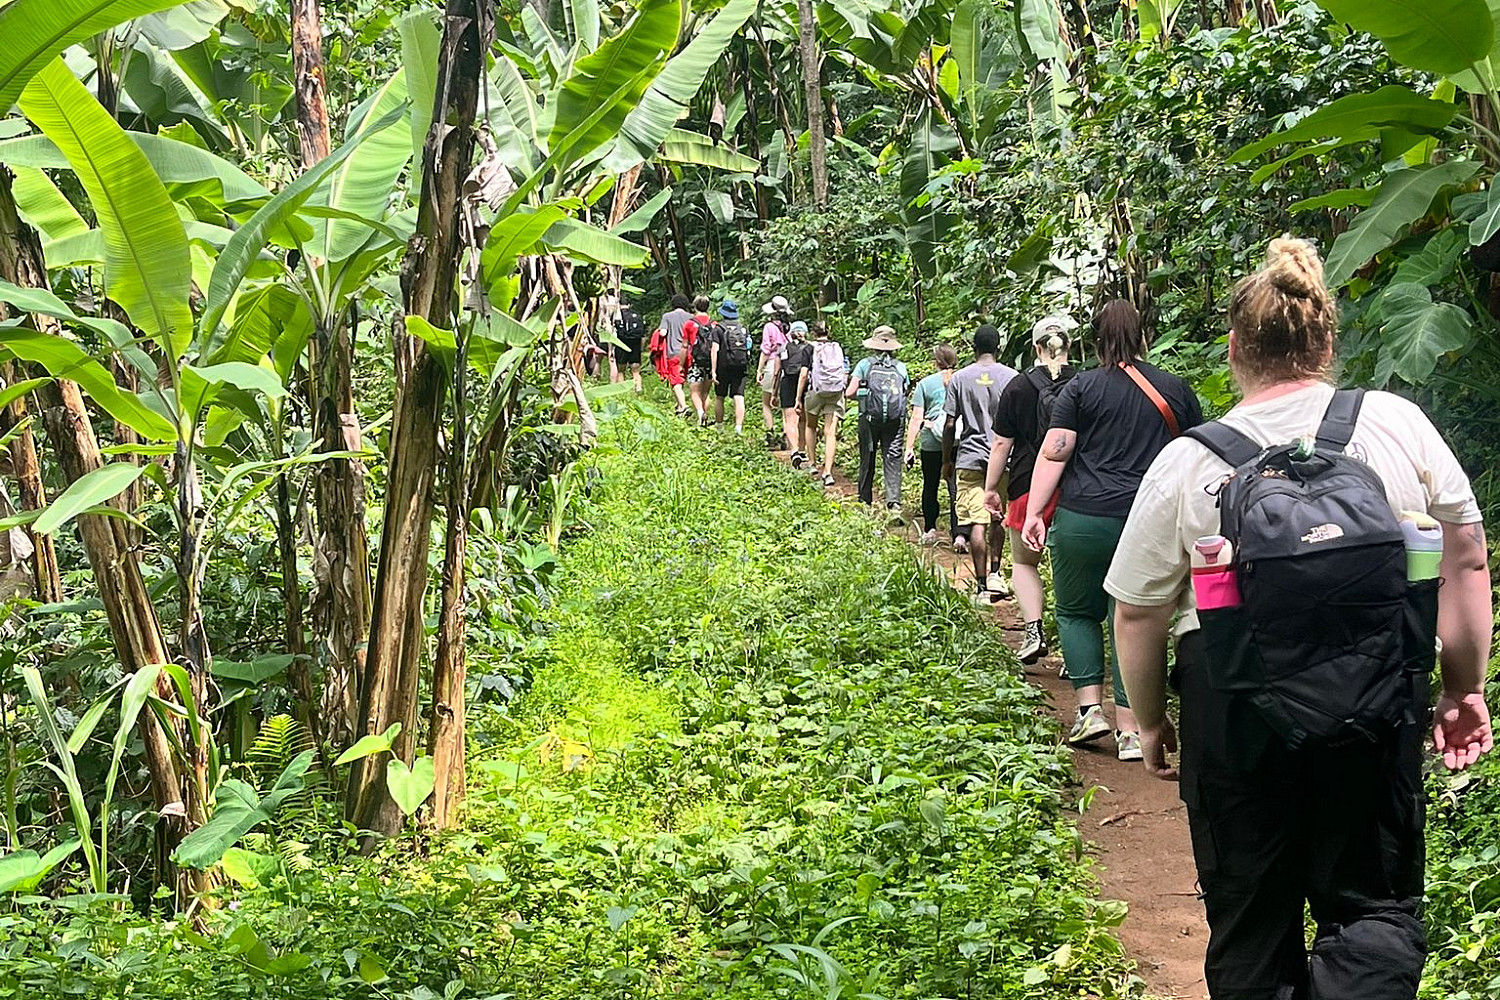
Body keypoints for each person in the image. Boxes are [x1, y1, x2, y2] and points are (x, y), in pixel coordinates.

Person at [1107, 237, 1493, 1000]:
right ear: (1327, 342)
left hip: (1236, 706)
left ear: (1233, 350)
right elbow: (1467, 555)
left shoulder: (1190, 459)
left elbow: (1137, 612)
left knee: (1251, 922)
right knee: (1374, 905)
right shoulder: (1397, 423)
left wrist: (1151, 723)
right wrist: (1462, 688)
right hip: (1377, 692)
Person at [1020, 299, 1200, 761]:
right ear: (1143, 337)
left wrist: (1036, 512)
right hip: (1148, 522)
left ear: (1096, 339)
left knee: (1078, 612)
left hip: (1084, 517)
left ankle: (1089, 711)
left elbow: (1055, 453)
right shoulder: (1174, 389)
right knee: (1135, 617)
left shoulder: (1080, 389)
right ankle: (1130, 728)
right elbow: (1194, 461)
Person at [985, 316, 1079, 665]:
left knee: (1025, 563)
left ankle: (1034, 630)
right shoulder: (1084, 384)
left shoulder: (1018, 387)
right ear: (1069, 345)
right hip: (1076, 488)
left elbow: (1000, 444)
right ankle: (1075, 652)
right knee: (1072, 566)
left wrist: (991, 487)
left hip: (1027, 485)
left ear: (1036, 346)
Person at [942, 324, 1017, 605]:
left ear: (974, 348)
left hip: (970, 457)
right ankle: (997, 572)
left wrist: (947, 460)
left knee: (976, 522)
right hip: (1004, 458)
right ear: (998, 347)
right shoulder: (1012, 377)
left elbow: (950, 423)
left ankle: (981, 586)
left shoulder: (960, 378)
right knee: (997, 514)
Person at [845, 325, 909, 510]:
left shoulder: (865, 365)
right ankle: (894, 501)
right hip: (895, 420)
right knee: (892, 457)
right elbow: (903, 392)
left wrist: (867, 397)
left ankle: (865, 500)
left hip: (869, 419)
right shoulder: (900, 367)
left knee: (868, 457)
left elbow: (850, 393)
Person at [905, 344, 961, 546]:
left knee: (930, 485)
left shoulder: (925, 384)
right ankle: (959, 534)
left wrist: (909, 447)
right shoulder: (963, 380)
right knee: (956, 488)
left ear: (936, 362)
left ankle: (930, 529)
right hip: (957, 440)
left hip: (931, 442)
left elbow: (916, 417)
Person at [797, 322, 847, 488]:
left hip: (815, 392)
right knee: (830, 433)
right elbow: (845, 370)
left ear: (813, 333)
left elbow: (804, 375)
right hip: (835, 392)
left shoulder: (809, 349)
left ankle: (812, 463)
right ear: (829, 331)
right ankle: (828, 472)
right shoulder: (837, 348)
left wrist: (798, 398)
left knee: (811, 426)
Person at [710, 300, 750, 434]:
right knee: (739, 396)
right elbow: (748, 348)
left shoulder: (718, 329)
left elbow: (714, 350)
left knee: (720, 396)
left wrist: (713, 371)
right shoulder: (742, 328)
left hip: (723, 367)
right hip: (740, 366)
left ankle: (719, 426)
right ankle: (738, 428)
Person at [758, 295, 792, 450]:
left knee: (766, 403)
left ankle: (770, 434)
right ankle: (787, 435)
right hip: (788, 366)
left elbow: (765, 350)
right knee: (786, 404)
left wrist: (759, 369)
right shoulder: (789, 327)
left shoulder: (769, 327)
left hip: (772, 365)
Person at [653, 294, 695, 415]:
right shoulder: (691, 317)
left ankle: (684, 406)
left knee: (676, 381)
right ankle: (679, 406)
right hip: (690, 353)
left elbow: (663, 333)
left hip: (674, 353)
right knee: (686, 380)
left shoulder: (667, 316)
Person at [780, 321, 813, 468]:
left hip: (787, 382)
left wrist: (774, 392)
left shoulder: (783, 347)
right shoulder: (811, 348)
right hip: (805, 383)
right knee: (804, 420)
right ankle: (802, 449)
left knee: (790, 419)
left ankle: (794, 451)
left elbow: (777, 371)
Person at [685, 300, 717, 426]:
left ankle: (700, 413)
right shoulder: (714, 324)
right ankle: (704, 415)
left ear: (695, 306)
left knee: (694, 392)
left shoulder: (689, 324)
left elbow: (684, 346)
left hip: (695, 362)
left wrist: (682, 365)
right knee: (705, 392)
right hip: (710, 362)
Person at [610, 296, 645, 393]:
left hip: (621, 344)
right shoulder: (637, 315)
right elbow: (642, 336)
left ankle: (623, 390)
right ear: (629, 305)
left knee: (621, 370)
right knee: (636, 370)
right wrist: (641, 349)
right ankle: (638, 388)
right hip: (635, 345)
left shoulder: (617, 316)